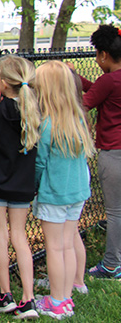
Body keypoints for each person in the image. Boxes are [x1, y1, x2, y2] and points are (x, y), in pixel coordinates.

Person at [0, 55, 40, 319]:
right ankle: (29, 298)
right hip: (22, 185)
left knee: (0, 234)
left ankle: (6, 296)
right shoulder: (34, 111)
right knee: (20, 237)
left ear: (2, 83)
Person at [32, 60, 93, 319]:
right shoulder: (77, 119)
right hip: (77, 192)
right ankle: (65, 297)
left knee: (55, 248)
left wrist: (33, 186)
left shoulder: (46, 126)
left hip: (55, 194)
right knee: (67, 245)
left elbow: (39, 163)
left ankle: (56, 302)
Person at [75, 24, 121, 280]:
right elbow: (103, 91)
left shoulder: (108, 81)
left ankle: (113, 264)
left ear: (103, 55)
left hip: (114, 152)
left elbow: (87, 101)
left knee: (115, 212)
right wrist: (79, 79)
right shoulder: (112, 81)